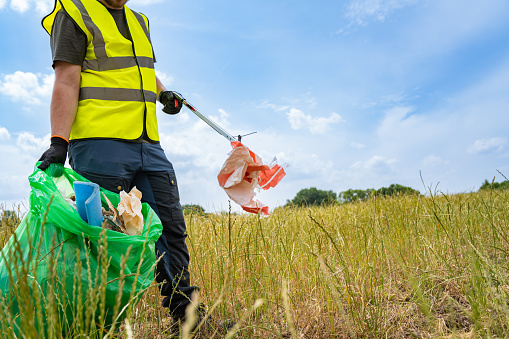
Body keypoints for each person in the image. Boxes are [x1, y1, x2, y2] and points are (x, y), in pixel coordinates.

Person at [38, 0, 201, 327]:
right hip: (98, 145)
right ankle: (95, 324)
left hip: (147, 144)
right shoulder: (75, 14)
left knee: (170, 230)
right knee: (100, 236)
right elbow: (67, 79)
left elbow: (138, 71)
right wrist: (59, 140)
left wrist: (162, 92)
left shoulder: (139, 20)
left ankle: (187, 317)